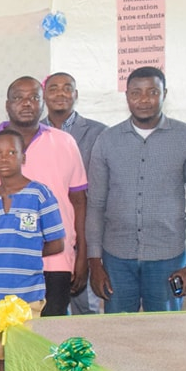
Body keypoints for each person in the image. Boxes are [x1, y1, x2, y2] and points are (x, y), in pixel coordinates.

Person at [87, 67, 186, 313]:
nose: (144, 100)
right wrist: (95, 262)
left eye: (152, 92)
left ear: (165, 94)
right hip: (116, 258)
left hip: (168, 257)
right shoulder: (107, 140)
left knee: (165, 337)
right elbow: (96, 204)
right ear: (126, 96)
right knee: (119, 335)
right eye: (136, 92)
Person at [0, 76, 87, 317]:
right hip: (1, 268)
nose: (27, 103)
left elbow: (79, 201)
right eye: (18, 98)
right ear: (7, 104)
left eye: (34, 97)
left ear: (43, 103)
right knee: (3, 342)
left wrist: (82, 253)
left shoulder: (65, 142)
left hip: (56, 261)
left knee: (49, 340)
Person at [0, 130, 64, 371]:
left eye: (11, 152)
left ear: (23, 156)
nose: (4, 158)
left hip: (24, 294)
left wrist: (24, 252)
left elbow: (56, 242)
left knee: (23, 356)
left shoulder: (40, 194)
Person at [42, 73, 108, 315]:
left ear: (76, 95)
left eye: (67, 88)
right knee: (51, 313)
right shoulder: (30, 135)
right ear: (44, 96)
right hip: (49, 240)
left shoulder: (100, 133)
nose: (60, 94)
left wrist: (88, 248)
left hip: (86, 232)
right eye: (54, 89)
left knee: (88, 311)